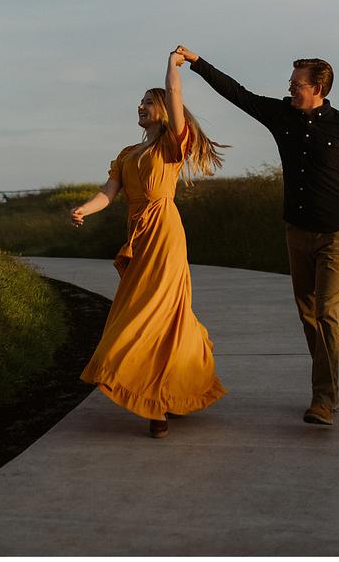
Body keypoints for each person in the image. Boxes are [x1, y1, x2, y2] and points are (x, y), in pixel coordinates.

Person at [174, 45, 339, 427]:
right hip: (296, 232)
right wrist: (197, 63)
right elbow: (238, 94)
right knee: (309, 315)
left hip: (336, 235)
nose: (290, 88)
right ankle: (328, 386)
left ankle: (323, 399)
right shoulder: (281, 115)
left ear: (318, 88)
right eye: (290, 82)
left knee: (328, 314)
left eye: (297, 84)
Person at [71, 50, 230, 438]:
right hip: (138, 237)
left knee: (157, 312)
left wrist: (173, 67)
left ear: (161, 108)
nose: (140, 106)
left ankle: (155, 403)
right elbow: (109, 192)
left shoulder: (173, 144)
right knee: (145, 311)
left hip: (165, 233)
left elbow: (176, 96)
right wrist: (85, 210)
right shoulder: (128, 154)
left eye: (147, 101)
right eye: (140, 102)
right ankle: (175, 385)